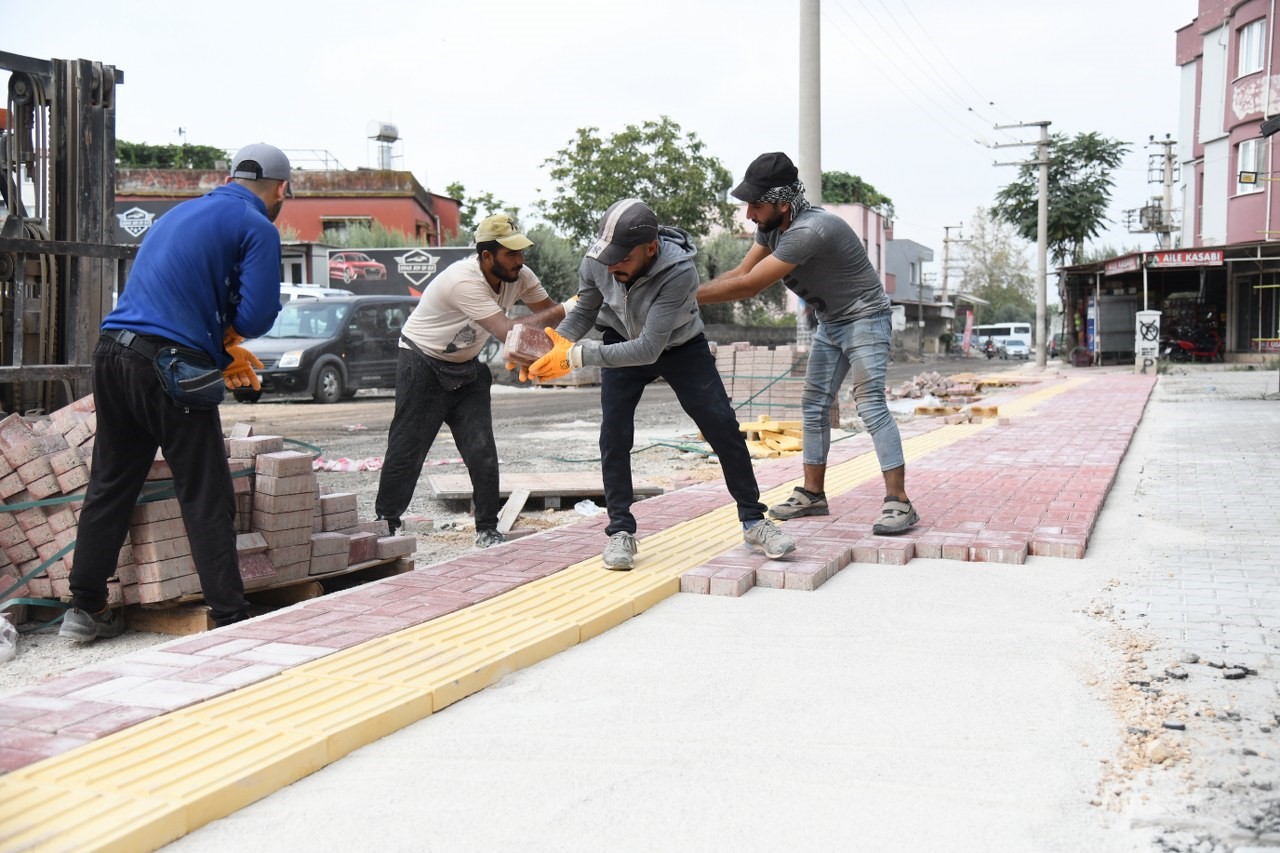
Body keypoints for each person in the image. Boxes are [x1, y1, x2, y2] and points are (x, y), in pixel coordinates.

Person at [61, 143, 292, 642]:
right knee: (205, 489)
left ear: (230, 177)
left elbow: (171, 290)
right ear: (281, 189)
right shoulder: (257, 227)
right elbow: (255, 316)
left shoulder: (176, 215)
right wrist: (227, 338)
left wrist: (215, 337)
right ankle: (230, 615)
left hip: (111, 351)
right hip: (170, 364)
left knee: (111, 484)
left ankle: (84, 610)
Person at [527, 199, 795, 570]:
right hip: (619, 341)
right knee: (614, 436)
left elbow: (650, 348)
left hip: (680, 347)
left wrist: (577, 357)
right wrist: (556, 345)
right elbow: (587, 309)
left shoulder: (679, 271)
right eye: (608, 256)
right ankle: (621, 530)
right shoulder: (596, 260)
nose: (612, 264)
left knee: (723, 428)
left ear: (650, 249)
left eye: (622, 257)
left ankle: (753, 520)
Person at [696, 152, 918, 536]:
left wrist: (681, 300)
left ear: (783, 203)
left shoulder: (810, 230)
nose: (749, 213)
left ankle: (899, 502)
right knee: (813, 405)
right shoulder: (772, 227)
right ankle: (813, 494)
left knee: (869, 403)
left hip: (866, 318)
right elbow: (739, 272)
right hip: (830, 321)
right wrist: (682, 293)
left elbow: (749, 286)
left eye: (755, 204)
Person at [375, 214, 569, 548]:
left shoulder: (520, 276)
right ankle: (386, 524)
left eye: (522, 252)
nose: (520, 261)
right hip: (422, 361)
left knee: (481, 449)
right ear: (487, 256)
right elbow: (508, 331)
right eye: (512, 254)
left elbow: (552, 315)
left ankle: (488, 529)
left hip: (466, 367)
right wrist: (564, 308)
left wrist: (557, 343)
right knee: (408, 448)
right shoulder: (463, 280)